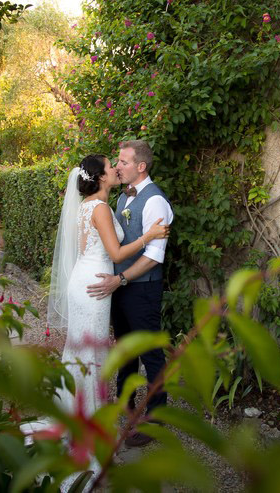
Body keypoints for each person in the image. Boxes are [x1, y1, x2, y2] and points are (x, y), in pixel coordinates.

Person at [47, 154, 169, 418]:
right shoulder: (101, 208)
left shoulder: (88, 205)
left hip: (85, 278)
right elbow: (115, 254)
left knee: (81, 347)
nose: (115, 168)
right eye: (110, 166)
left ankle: (75, 412)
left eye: (119, 163)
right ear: (101, 177)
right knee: (91, 352)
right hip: (97, 285)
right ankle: (89, 420)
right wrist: (148, 236)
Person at [86, 140, 174, 448]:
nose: (118, 167)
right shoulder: (123, 196)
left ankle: (156, 419)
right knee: (124, 349)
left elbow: (154, 256)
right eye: (117, 163)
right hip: (120, 286)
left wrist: (120, 278)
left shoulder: (155, 202)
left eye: (123, 162)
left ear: (141, 167)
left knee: (150, 354)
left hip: (141, 288)